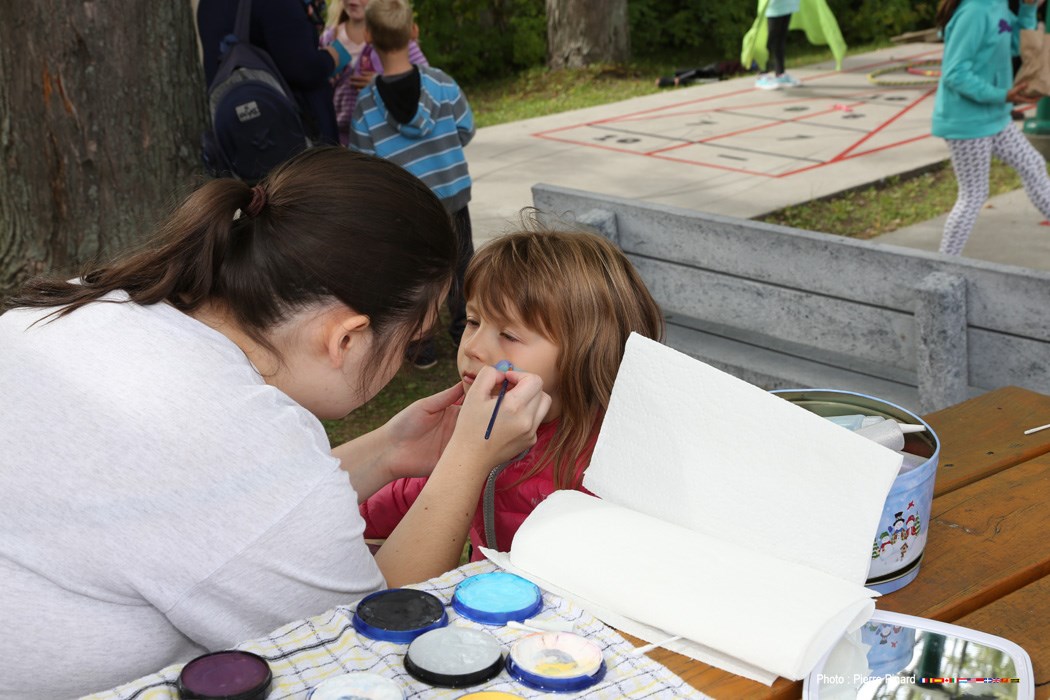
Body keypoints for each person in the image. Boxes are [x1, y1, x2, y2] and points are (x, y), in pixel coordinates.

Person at [0, 148, 550, 697]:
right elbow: (373, 642)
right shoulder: (232, 434)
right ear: (345, 338)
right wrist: (468, 460)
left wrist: (388, 451)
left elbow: (227, 512)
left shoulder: (94, 308)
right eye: (412, 343)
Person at [360, 226, 666, 560]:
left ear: (587, 351)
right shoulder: (471, 420)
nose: (473, 347)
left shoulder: (613, 462)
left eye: (509, 334)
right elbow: (416, 495)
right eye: (473, 322)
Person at [349, 0, 474, 369]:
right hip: (452, 196)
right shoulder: (442, 84)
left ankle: (422, 346)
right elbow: (465, 128)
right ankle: (465, 331)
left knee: (418, 272)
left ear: (368, 36)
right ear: (413, 32)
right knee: (461, 265)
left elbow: (365, 163)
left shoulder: (366, 104)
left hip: (408, 207)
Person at [933, 0, 1050, 255]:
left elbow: (1015, 45)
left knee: (1033, 165)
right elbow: (954, 73)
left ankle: (944, 263)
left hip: (995, 117)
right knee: (973, 195)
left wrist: (1028, 10)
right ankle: (944, 264)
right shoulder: (974, 12)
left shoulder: (997, 5)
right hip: (967, 122)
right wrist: (1002, 95)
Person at [197, 0, 347, 144]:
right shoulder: (277, 3)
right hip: (291, 135)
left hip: (238, 133)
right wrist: (331, 57)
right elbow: (303, 68)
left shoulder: (208, 4)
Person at [321, 0, 429, 146]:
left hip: (383, 136)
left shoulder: (395, 35)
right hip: (338, 139)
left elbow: (423, 80)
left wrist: (382, 83)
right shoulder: (329, 37)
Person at [741, 0, 846, 90]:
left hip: (788, 4)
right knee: (768, 39)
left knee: (780, 39)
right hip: (773, 4)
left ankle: (780, 73)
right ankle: (762, 75)